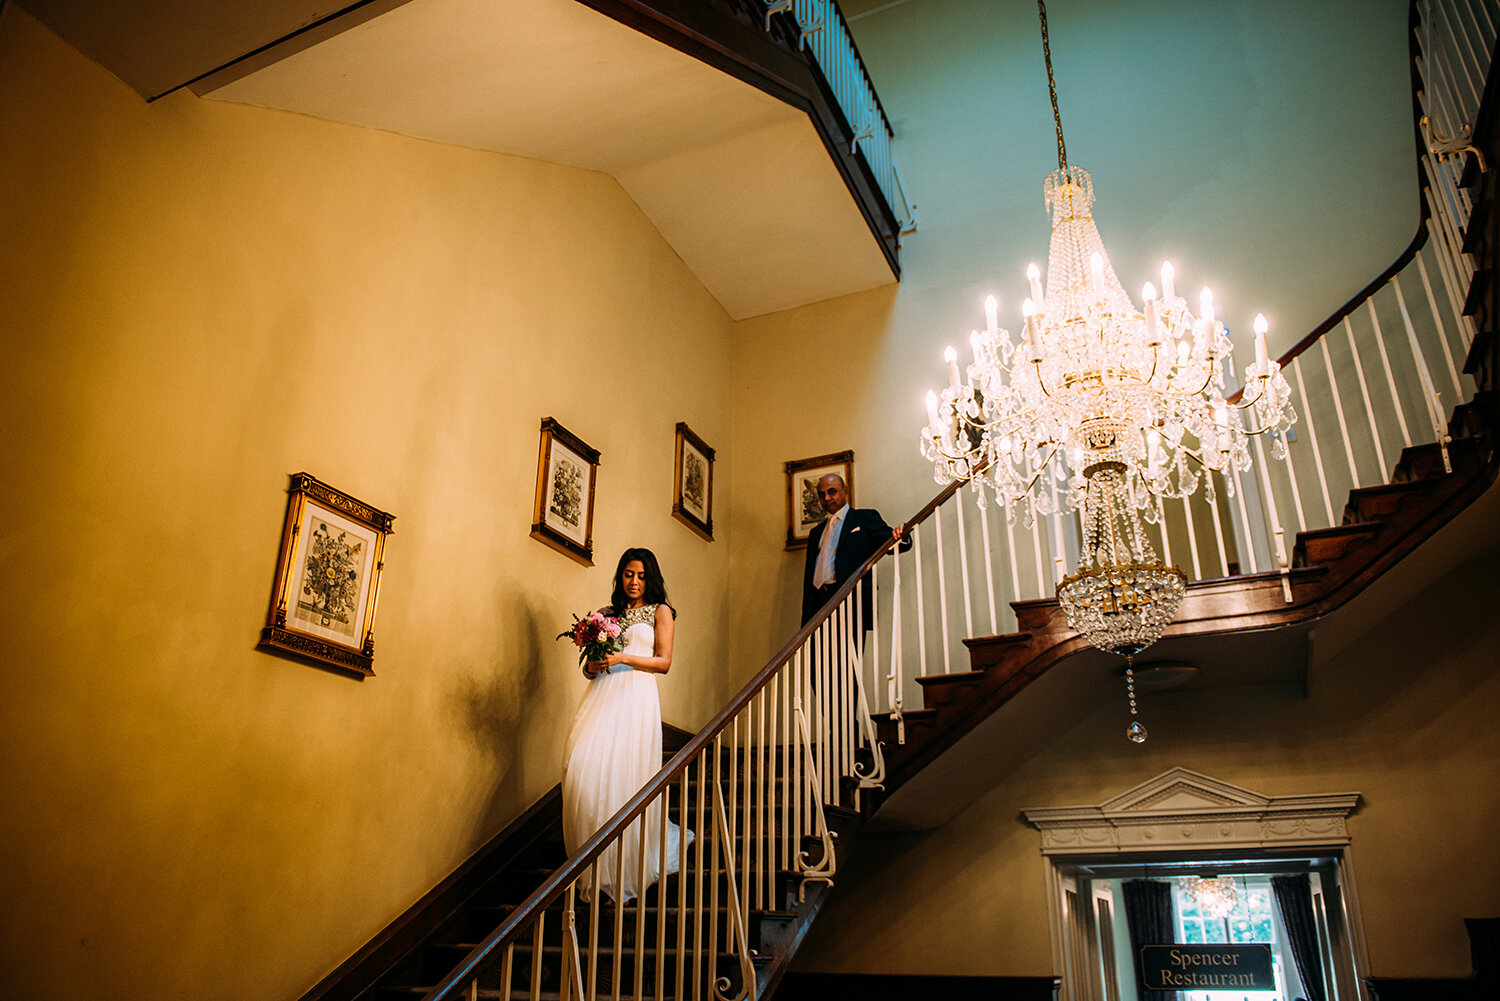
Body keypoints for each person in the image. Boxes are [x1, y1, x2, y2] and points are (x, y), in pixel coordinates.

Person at [561, 548, 691, 902]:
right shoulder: (605, 614)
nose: (634, 582)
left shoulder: (661, 611)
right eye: (628, 574)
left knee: (624, 775)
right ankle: (592, 860)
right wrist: (596, 665)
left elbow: (663, 662)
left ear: (651, 578)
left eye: (641, 576)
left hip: (635, 696)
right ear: (620, 576)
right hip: (602, 694)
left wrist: (623, 658)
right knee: (580, 766)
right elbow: (590, 665)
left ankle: (623, 861)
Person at [800, 473, 909, 626]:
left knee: (849, 649)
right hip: (818, 604)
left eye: (832, 491)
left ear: (845, 490)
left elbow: (890, 543)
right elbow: (809, 576)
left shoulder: (864, 518)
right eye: (821, 494)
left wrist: (902, 536)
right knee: (817, 650)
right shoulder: (816, 533)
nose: (826, 498)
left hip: (851, 601)